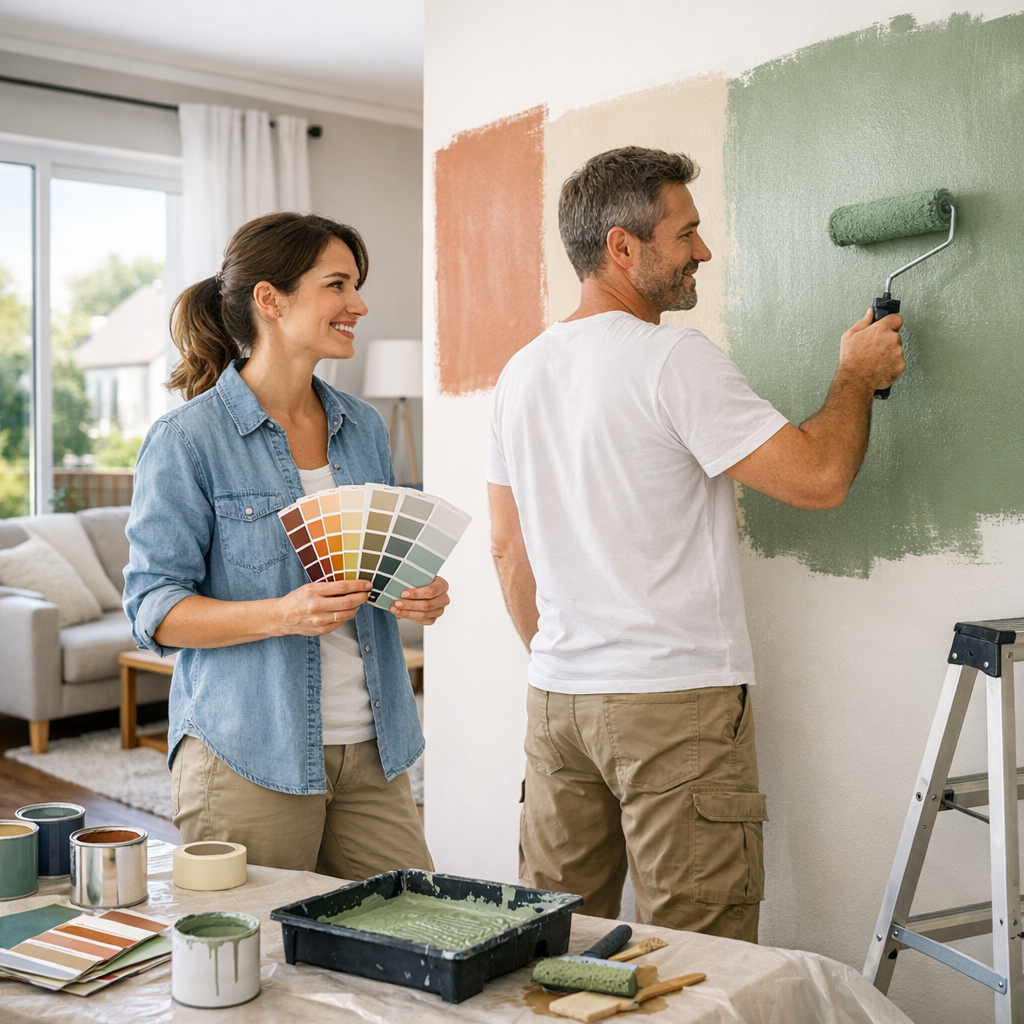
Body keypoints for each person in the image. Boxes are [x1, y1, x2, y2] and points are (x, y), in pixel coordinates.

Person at [486, 147, 904, 941]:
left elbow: (508, 553)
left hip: (557, 704)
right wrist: (855, 377)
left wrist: (568, 660)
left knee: (553, 941)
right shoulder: (672, 360)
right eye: (686, 233)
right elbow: (819, 479)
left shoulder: (521, 373)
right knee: (700, 955)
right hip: (672, 704)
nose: (702, 252)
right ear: (622, 246)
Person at [124, 212, 449, 878]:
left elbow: (365, 573)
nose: (358, 305)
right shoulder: (188, 439)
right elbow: (154, 611)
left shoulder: (362, 428)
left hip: (372, 748)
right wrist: (283, 613)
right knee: (254, 966)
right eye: (337, 285)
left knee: (411, 939)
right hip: (248, 755)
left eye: (355, 285)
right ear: (270, 300)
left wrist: (411, 590)